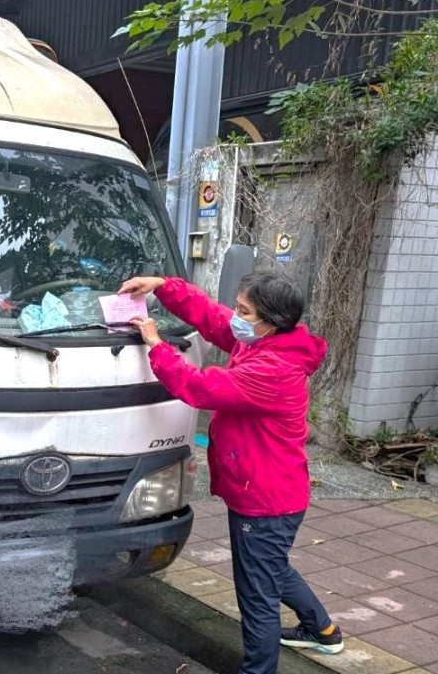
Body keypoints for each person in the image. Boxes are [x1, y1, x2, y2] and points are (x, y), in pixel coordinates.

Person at [118, 271, 341, 674]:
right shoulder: (265, 341)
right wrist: (163, 287)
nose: (235, 316)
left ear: (269, 321)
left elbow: (200, 387)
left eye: (244, 310)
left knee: (257, 596)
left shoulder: (272, 369)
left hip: (265, 501)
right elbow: (213, 318)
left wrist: (157, 346)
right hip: (271, 491)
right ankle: (322, 630)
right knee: (269, 568)